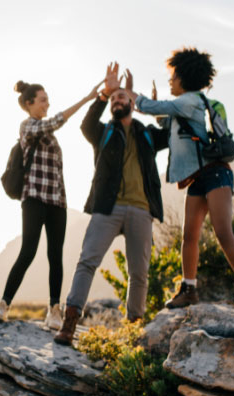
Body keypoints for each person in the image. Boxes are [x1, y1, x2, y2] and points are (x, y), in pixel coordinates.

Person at [124, 47, 234, 309]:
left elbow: (157, 107)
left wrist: (133, 93)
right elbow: (168, 122)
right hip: (197, 177)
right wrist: (153, 107)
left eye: (172, 76)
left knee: (223, 232)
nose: (169, 81)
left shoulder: (191, 100)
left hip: (216, 173)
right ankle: (188, 289)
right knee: (189, 237)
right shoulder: (183, 106)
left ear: (184, 77)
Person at [54, 63, 169, 346]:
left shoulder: (146, 134)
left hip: (142, 209)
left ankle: (134, 330)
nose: (118, 101)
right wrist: (103, 95)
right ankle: (70, 323)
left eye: (123, 97)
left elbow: (171, 133)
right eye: (114, 99)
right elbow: (85, 125)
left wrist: (150, 107)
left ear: (132, 102)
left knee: (139, 273)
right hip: (107, 207)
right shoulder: (103, 132)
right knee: (87, 262)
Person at [0, 80, 102, 330]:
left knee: (55, 255)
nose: (47, 103)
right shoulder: (28, 126)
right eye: (42, 99)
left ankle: (54, 311)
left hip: (57, 201)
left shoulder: (48, 135)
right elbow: (57, 121)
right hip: (34, 197)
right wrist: (86, 98)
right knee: (27, 251)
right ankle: (3, 305)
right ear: (29, 104)